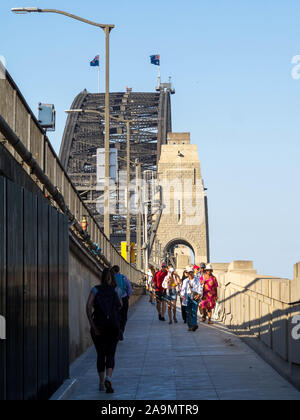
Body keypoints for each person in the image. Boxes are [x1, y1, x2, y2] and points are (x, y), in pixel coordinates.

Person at [86, 268, 121, 394]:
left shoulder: (95, 289)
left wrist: (92, 324)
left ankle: (101, 383)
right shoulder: (116, 290)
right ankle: (108, 378)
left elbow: (88, 306)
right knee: (111, 353)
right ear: (113, 277)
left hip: (99, 326)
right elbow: (120, 305)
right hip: (113, 326)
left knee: (101, 354)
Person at [112, 265, 133, 341]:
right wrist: (128, 296)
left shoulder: (111, 278)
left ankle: (117, 332)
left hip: (114, 299)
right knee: (124, 316)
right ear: (119, 270)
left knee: (116, 316)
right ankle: (121, 330)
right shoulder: (123, 277)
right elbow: (129, 288)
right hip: (124, 298)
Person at [181, 266, 203, 331]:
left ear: (193, 272)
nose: (190, 274)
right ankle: (190, 326)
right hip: (188, 297)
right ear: (187, 273)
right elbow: (183, 289)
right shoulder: (185, 281)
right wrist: (182, 295)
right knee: (188, 312)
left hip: (195, 296)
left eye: (191, 272)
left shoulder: (197, 280)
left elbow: (200, 288)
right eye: (188, 272)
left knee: (194, 311)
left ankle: (194, 325)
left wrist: (199, 294)